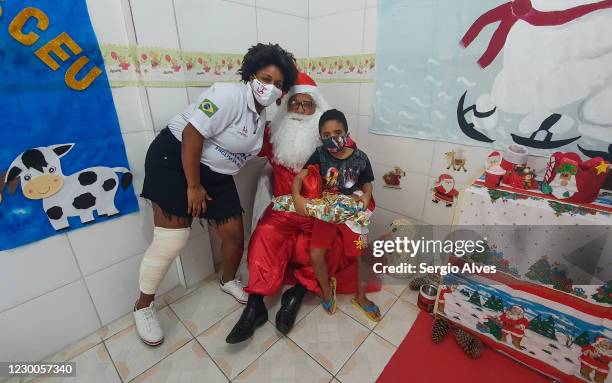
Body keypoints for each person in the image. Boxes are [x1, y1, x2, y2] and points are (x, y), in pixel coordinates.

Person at [133, 43, 298, 346]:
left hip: (216, 174)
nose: (270, 88)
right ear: (250, 76)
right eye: (265, 79)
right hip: (175, 160)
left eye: (277, 84)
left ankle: (228, 280)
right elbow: (191, 134)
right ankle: (142, 307)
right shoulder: (227, 95)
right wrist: (193, 187)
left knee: (234, 234)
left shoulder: (259, 115)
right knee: (173, 240)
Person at [226, 73, 380, 344]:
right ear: (285, 106)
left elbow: (357, 176)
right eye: (294, 103)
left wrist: (360, 197)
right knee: (264, 235)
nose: (299, 110)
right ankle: (255, 304)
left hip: (319, 214)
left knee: (325, 247)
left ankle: (295, 295)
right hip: (284, 210)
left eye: (306, 104)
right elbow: (243, 141)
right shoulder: (273, 135)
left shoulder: (335, 142)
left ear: (316, 108)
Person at [292, 109, 377, 317]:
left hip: (352, 214)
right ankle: (327, 291)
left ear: (347, 133)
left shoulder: (360, 157)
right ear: (321, 137)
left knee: (363, 256)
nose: (332, 138)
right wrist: (297, 197)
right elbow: (299, 178)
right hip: (327, 211)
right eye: (326, 135)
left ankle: (361, 296)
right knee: (316, 253)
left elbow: (367, 184)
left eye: (337, 132)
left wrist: (366, 197)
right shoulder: (320, 154)